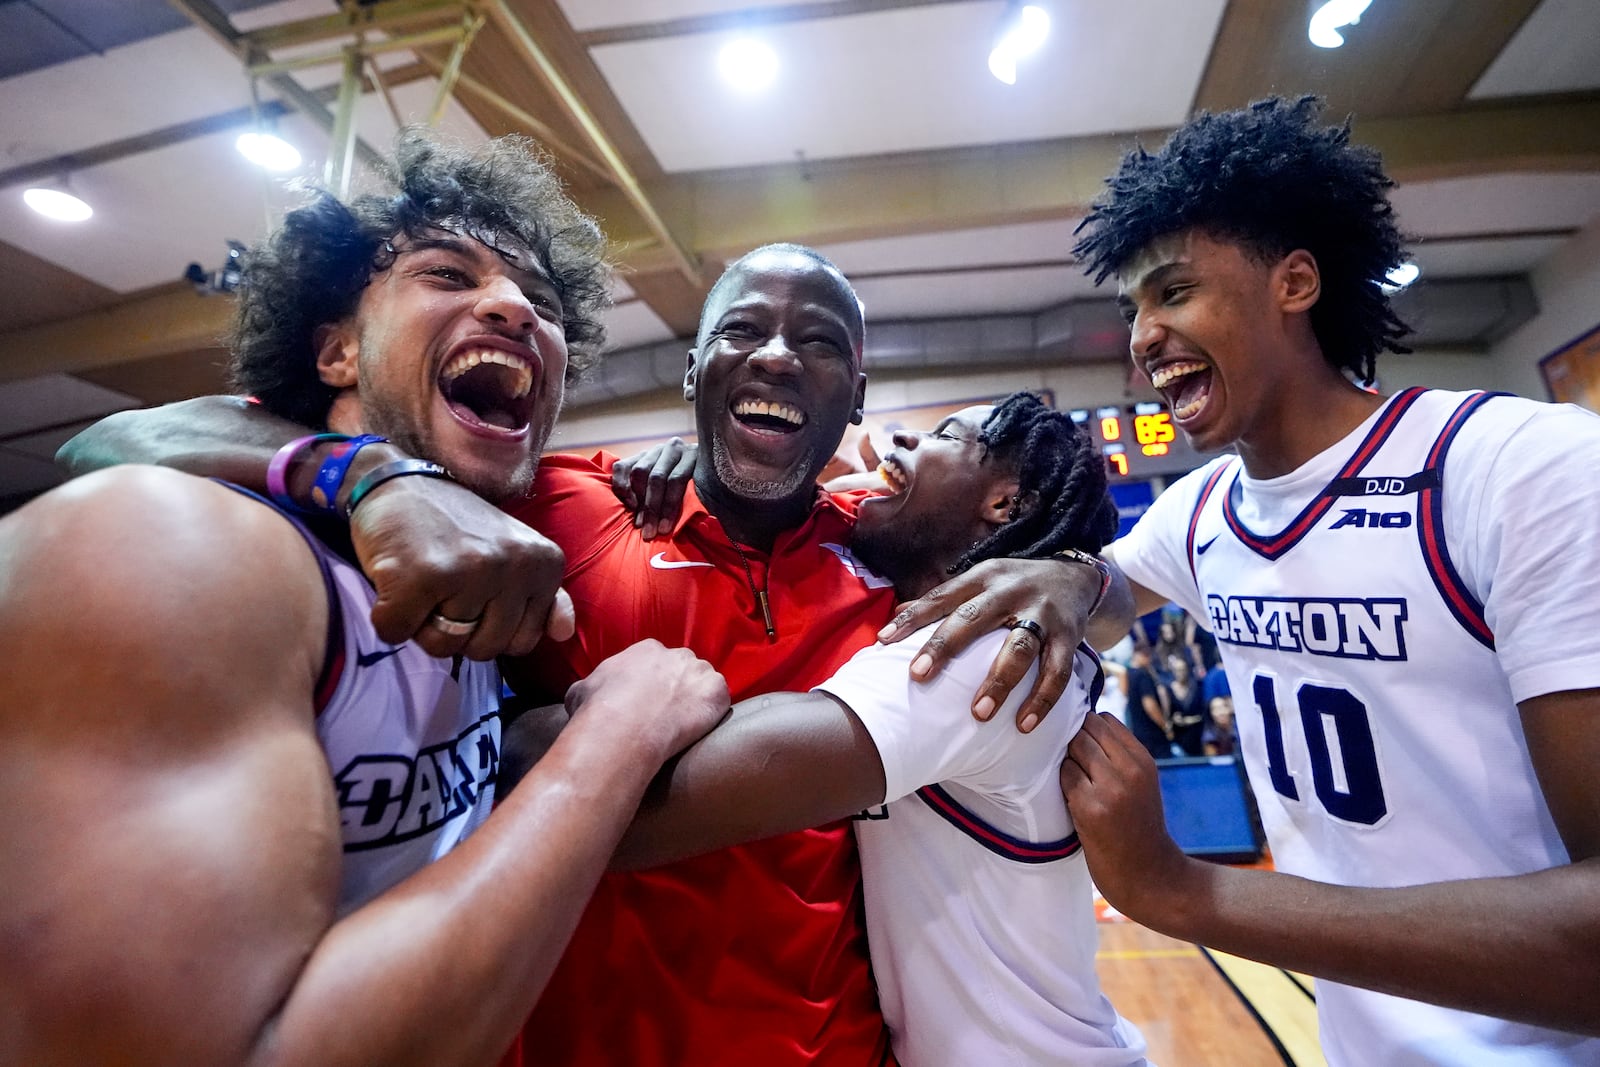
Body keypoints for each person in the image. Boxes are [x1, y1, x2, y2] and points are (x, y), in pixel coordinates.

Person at [61, 243, 1124, 1066]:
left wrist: (1074, 571)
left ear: (851, 393)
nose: (775, 354)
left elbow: (1080, 564)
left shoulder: (889, 558)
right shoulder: (559, 504)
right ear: (699, 367)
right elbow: (117, 439)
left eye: (820, 343)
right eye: (742, 328)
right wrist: (370, 475)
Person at [0, 130, 732, 1064]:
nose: (512, 307)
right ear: (338, 352)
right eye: (446, 275)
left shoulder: (486, 558)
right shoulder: (177, 545)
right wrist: (616, 737)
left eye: (541, 302)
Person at [1056, 95, 1600, 1063]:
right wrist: (1050, 586)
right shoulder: (1205, 506)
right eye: (1132, 307)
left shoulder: (1522, 466)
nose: (1141, 336)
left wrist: (1182, 888)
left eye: (1173, 292)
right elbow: (1100, 594)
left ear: (1294, 282)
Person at [507, 393, 1146, 1066]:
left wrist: (504, 726)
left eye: (941, 436)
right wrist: (714, 473)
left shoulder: (980, 662)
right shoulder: (1002, 623)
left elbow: (625, 815)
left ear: (1004, 505)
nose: (885, 449)